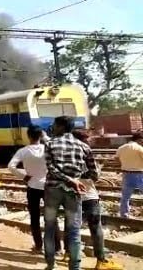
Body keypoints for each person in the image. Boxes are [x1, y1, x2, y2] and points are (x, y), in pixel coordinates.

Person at [44, 116, 97, 270]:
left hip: (53, 190)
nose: (53, 127)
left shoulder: (50, 144)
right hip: (73, 193)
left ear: (61, 127)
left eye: (54, 125)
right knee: (74, 230)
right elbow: (94, 174)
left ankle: (50, 265)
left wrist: (68, 179)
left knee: (49, 228)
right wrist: (76, 179)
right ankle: (74, 267)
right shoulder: (83, 146)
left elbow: (51, 168)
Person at [71, 129, 122, 270]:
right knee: (95, 227)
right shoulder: (85, 150)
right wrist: (98, 170)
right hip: (87, 194)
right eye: (88, 139)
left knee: (72, 227)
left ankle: (69, 255)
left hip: (69, 195)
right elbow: (94, 175)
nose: (90, 141)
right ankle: (101, 261)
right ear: (83, 139)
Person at [8, 125, 56, 253]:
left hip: (32, 186)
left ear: (28, 136)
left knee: (34, 218)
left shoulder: (23, 151)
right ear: (40, 136)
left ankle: (38, 246)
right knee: (51, 217)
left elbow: (11, 166)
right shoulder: (48, 148)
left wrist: (23, 176)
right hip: (48, 186)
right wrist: (45, 136)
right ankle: (57, 247)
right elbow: (54, 144)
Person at [116, 131, 143, 219]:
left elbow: (116, 158)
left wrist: (123, 164)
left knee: (125, 197)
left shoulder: (121, 148)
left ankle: (124, 215)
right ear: (139, 139)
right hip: (139, 175)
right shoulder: (139, 148)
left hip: (126, 174)